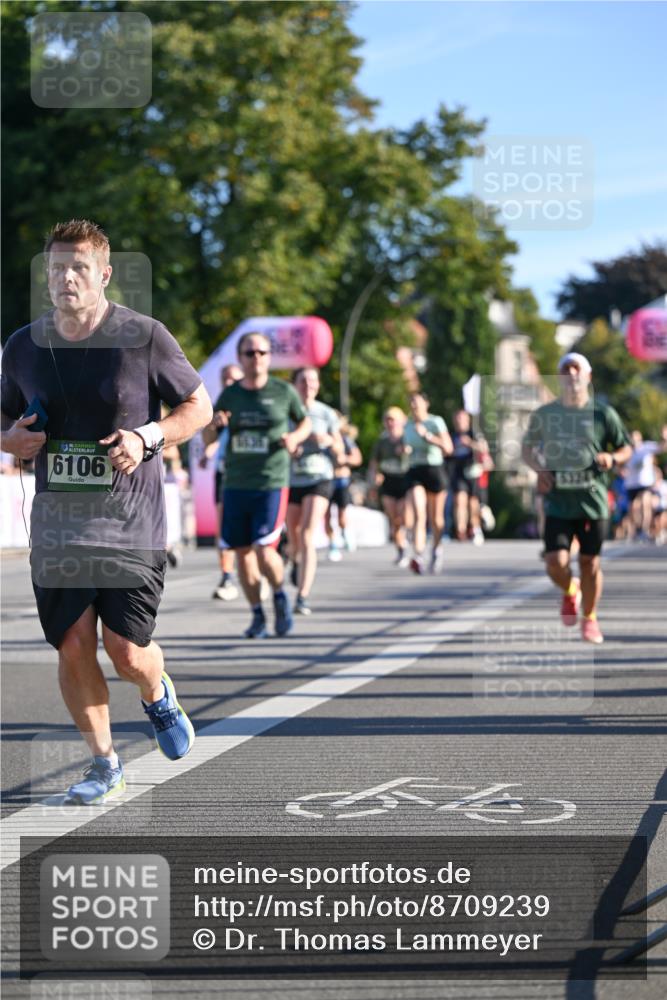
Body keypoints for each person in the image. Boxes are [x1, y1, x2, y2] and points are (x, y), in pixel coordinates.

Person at [0, 219, 212, 803]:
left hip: (131, 523)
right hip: (58, 526)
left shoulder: (143, 337)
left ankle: (157, 694)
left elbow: (199, 406)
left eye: (78, 268)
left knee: (126, 652)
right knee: (72, 643)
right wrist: (9, 439)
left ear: (105, 275)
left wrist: (148, 437)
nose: (66, 278)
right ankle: (104, 763)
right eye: (56, 268)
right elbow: (3, 416)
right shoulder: (23, 346)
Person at [522, 352, 632, 644]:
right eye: (565, 369)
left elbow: (626, 448)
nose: (571, 374)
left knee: (590, 563)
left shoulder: (603, 414)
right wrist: (539, 468)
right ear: (559, 377)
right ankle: (571, 591)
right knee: (554, 562)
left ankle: (590, 618)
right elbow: (526, 449)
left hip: (592, 503)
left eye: (577, 368)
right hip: (558, 500)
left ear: (588, 376)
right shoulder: (545, 414)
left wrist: (612, 456)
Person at [215, 332, 310, 637]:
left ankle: (280, 595)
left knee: (263, 549)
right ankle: (257, 614)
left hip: (271, 481)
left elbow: (304, 422)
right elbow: (208, 436)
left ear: (269, 357)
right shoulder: (230, 395)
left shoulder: (283, 391)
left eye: (262, 352)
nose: (256, 357)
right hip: (236, 482)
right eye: (249, 352)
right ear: (240, 357)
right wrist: (215, 426)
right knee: (242, 552)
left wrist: (294, 437)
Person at [285, 367, 343, 615]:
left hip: (320, 477)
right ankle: (296, 560)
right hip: (291, 478)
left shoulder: (326, 413)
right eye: (303, 380)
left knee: (308, 533)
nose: (308, 385)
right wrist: (292, 446)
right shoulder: (286, 410)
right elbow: (281, 439)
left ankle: (302, 596)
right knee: (295, 534)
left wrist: (327, 441)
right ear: (295, 385)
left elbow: (340, 450)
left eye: (313, 380)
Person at [201, 363, 244, 600]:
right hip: (225, 473)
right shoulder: (218, 408)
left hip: (251, 476)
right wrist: (213, 426)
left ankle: (257, 574)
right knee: (223, 527)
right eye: (226, 379)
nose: (229, 383)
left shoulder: (249, 406)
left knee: (248, 533)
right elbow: (208, 440)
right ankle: (227, 576)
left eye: (234, 379)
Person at [404, 391, 453, 574]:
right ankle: (418, 555)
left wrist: (429, 437)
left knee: (436, 518)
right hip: (415, 469)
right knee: (418, 511)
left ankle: (436, 549)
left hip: (434, 469)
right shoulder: (407, 425)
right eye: (411, 403)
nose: (414, 406)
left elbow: (449, 448)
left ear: (426, 404)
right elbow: (405, 446)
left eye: (417, 402)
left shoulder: (435, 422)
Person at [368, 406, 411, 566]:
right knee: (394, 518)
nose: (390, 423)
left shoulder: (407, 437)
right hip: (388, 480)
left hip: (405, 480)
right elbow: (374, 464)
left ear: (401, 421)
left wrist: (407, 451)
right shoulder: (382, 441)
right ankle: (401, 549)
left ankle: (406, 538)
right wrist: (372, 484)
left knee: (403, 516)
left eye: (393, 419)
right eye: (388, 420)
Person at [448, 409, 494, 545]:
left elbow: (484, 449)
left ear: (467, 420)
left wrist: (469, 443)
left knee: (473, 502)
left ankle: (475, 528)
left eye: (461, 419)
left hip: (474, 473)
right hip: (458, 472)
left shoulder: (475, 434)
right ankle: (460, 531)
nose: (459, 422)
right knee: (459, 500)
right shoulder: (452, 436)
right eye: (456, 419)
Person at [325, 412, 363, 561]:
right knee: (326, 516)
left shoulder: (345, 440)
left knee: (341, 516)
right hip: (325, 481)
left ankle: (345, 531)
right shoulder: (323, 438)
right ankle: (333, 544)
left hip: (341, 481)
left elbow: (357, 458)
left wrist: (344, 459)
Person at [625, 427, 667, 540]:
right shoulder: (627, 451)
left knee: (645, 503)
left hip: (645, 483)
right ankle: (637, 529)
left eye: (635, 437)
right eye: (631, 438)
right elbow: (618, 465)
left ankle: (645, 529)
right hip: (631, 485)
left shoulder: (646, 447)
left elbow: (661, 447)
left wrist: (664, 438)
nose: (633, 440)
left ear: (640, 438)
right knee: (633, 508)